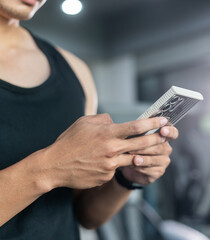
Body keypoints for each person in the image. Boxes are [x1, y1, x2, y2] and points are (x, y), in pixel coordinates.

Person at [0, 0, 179, 239]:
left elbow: (85, 214)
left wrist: (126, 177)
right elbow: (55, 168)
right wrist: (48, 168)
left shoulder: (75, 70)